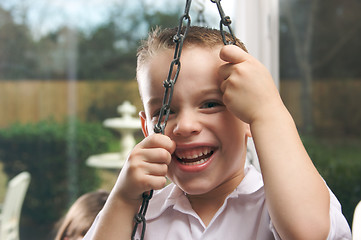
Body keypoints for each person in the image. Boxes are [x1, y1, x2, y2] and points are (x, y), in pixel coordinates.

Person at [84, 26, 351, 239]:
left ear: (249, 117)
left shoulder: (282, 202)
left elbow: (308, 233)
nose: (185, 126)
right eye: (166, 111)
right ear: (147, 129)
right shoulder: (137, 216)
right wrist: (121, 198)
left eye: (211, 104)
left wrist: (269, 112)